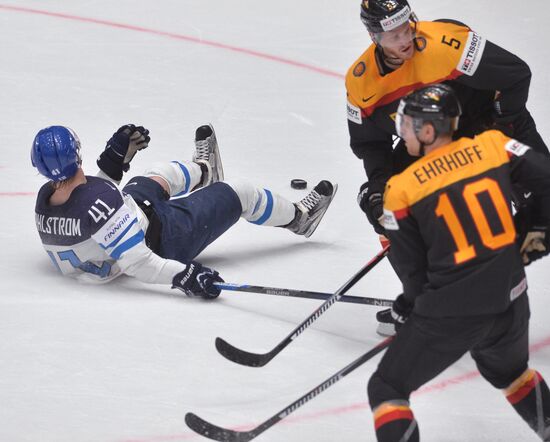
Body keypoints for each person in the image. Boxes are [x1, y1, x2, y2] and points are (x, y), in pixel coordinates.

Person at [367, 84, 550, 441]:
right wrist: (530, 237)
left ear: (429, 130)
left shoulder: (401, 190)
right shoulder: (495, 146)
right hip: (511, 298)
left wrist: (408, 307)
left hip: (451, 314)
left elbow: (414, 274)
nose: (401, 130)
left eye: (407, 123)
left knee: (387, 388)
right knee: (513, 374)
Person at [32, 123, 337, 298]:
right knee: (240, 192)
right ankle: (300, 218)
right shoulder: (101, 203)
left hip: (132, 215)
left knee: (157, 175)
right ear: (77, 153)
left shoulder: (46, 201)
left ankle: (205, 169)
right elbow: (140, 262)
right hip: (167, 237)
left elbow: (90, 209)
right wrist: (186, 276)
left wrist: (111, 164)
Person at [346, 0, 549, 237]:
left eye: (407, 27)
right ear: (374, 37)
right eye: (394, 36)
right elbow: (371, 144)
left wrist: (500, 127)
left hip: (486, 121)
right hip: (432, 144)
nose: (406, 40)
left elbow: (515, 75)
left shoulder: (446, 43)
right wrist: (378, 187)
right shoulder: (360, 83)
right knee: (386, 206)